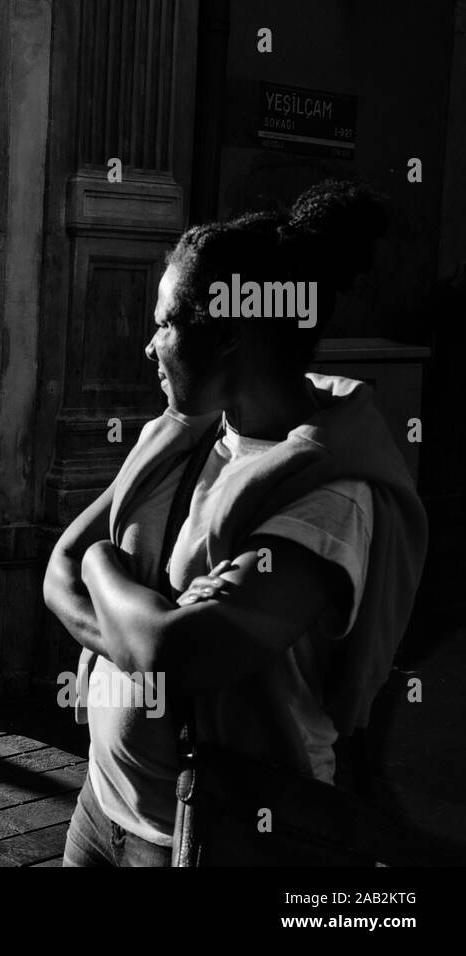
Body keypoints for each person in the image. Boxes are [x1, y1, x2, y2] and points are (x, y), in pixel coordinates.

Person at [43, 180, 427, 866]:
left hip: (214, 840)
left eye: (164, 323)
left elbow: (176, 652)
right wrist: (135, 623)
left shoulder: (332, 494)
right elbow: (55, 572)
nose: (148, 346)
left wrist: (103, 566)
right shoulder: (185, 436)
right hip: (100, 809)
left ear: (225, 334)